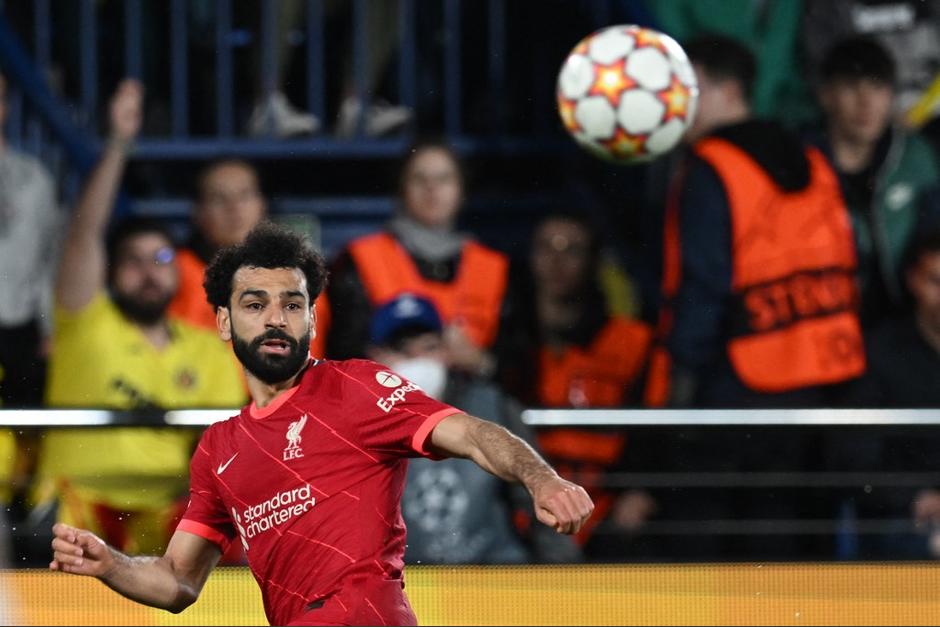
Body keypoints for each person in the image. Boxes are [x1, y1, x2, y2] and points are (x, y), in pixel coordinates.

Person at [48, 222, 593, 626]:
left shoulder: (355, 388)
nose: (275, 318)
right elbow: (176, 582)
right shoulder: (219, 449)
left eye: (292, 304)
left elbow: (473, 432)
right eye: (255, 304)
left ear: (312, 318)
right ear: (222, 321)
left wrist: (541, 478)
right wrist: (110, 563)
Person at [35, 79, 246, 555]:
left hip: (164, 520)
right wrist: (118, 144)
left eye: (161, 259)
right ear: (110, 272)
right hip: (75, 511)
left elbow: (219, 454)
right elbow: (84, 234)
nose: (149, 273)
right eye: (132, 260)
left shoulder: (206, 348)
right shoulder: (87, 322)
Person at [644, 34, 866, 409]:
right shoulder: (813, 156)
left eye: (687, 89)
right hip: (833, 371)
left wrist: (681, 379)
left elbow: (701, 282)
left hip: (744, 382)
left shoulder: (709, 166)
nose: (673, 102)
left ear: (730, 91)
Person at [368, 293, 582, 564]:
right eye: (403, 350)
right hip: (403, 582)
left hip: (492, 576)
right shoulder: (361, 418)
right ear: (374, 357)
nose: (418, 360)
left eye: (429, 347)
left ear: (447, 351)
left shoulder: (491, 404)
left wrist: (563, 576)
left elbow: (536, 500)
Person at [497, 212, 653, 555]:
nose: (557, 260)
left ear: (593, 261)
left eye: (572, 249)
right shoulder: (504, 343)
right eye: (546, 247)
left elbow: (650, 427)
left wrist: (639, 490)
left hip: (607, 510)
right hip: (522, 507)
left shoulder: (631, 341)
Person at [326, 140, 509, 377]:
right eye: (419, 178)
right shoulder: (362, 256)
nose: (431, 188)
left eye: (443, 179)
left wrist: (480, 361)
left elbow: (516, 360)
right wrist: (378, 362)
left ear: (462, 190)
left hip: (467, 398)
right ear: (402, 189)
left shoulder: (492, 266)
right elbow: (341, 347)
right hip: (386, 397)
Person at [808, 35, 940, 327]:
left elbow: (934, 240)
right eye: (851, 87)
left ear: (892, 95)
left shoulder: (916, 158)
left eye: (877, 88)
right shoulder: (799, 165)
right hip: (828, 327)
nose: (865, 102)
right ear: (825, 95)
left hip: (907, 325)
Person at [833, 229, 940, 559]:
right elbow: (853, 458)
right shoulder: (879, 354)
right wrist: (917, 497)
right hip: (907, 518)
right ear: (913, 280)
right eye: (936, 281)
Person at [166, 158, 330, 358]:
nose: (233, 208)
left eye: (244, 195)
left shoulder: (299, 279)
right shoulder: (171, 272)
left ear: (262, 204)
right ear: (198, 212)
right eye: (219, 198)